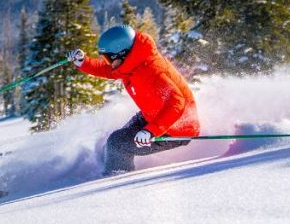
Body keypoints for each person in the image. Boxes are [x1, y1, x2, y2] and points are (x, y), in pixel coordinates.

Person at [68, 24, 199, 175]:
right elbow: (108, 70)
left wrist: (151, 131)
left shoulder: (153, 71)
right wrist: (83, 62)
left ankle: (117, 179)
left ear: (122, 54)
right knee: (113, 143)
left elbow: (176, 103)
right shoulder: (132, 63)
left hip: (175, 128)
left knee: (118, 144)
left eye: (108, 58)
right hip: (153, 115)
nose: (108, 62)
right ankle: (107, 164)